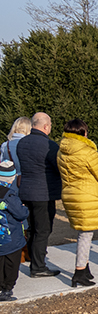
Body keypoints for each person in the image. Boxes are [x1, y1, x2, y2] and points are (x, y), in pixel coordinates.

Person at [57, 119, 98, 287]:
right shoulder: (87, 151)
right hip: (87, 196)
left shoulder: (61, 151)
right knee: (85, 235)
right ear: (83, 133)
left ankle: (85, 268)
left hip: (70, 194)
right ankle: (79, 271)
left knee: (83, 232)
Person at [16, 112, 62, 278]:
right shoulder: (49, 145)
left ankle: (33, 258)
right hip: (43, 193)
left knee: (32, 228)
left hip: (26, 192)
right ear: (45, 126)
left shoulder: (22, 143)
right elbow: (58, 167)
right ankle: (38, 266)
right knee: (43, 229)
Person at [0, 162, 29, 302]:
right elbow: (21, 214)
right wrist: (24, 208)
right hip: (11, 237)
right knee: (11, 264)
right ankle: (6, 289)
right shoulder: (9, 196)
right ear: (11, 179)